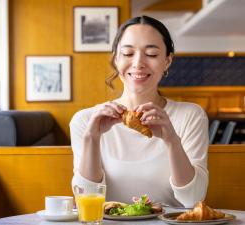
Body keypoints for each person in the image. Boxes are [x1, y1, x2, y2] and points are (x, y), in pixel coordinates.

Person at [70, 15, 208, 208]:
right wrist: (92, 137)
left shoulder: (190, 116)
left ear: (167, 61)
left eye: (151, 54)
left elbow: (193, 199)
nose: (138, 63)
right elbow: (86, 201)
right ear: (116, 59)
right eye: (127, 53)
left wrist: (171, 140)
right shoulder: (85, 120)